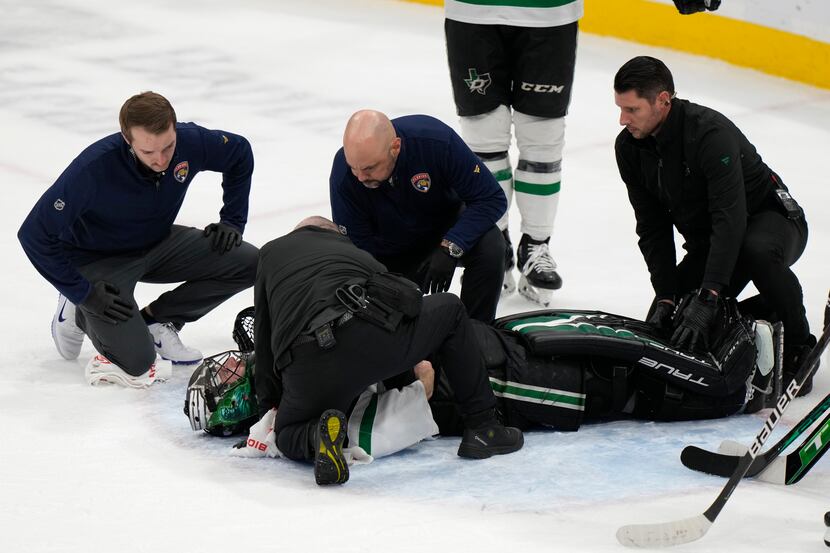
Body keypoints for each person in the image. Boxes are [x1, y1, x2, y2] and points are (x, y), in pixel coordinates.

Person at [253, 216, 523, 485]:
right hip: (367, 339)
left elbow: (263, 339)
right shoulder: (358, 253)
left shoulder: (271, 253)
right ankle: (483, 428)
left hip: (306, 361)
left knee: (287, 432)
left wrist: (269, 407)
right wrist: (409, 377)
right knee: (450, 308)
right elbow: (401, 307)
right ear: (335, 233)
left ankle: (316, 436)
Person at [18, 91, 259, 388]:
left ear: (174, 128)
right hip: (98, 262)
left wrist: (233, 220)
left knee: (251, 263)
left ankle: (160, 320)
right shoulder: (93, 169)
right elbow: (33, 234)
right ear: (127, 139)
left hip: (158, 243)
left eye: (168, 147)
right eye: (148, 152)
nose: (161, 160)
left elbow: (239, 152)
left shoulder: (190, 141)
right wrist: (84, 293)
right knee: (137, 362)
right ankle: (76, 310)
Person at [612, 56, 815, 396]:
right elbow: (652, 227)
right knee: (673, 328)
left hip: (772, 222)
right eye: (620, 108)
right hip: (715, 243)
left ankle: (798, 343)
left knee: (755, 251)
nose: (622, 119)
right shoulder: (629, 148)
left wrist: (710, 295)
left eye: (632, 109)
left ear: (663, 101)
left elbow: (730, 218)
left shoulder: (709, 134)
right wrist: (665, 296)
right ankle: (763, 312)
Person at [444, 0, 581, 307]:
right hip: (472, 12)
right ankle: (495, 242)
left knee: (543, 137)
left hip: (548, 13)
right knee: (483, 140)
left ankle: (536, 245)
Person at [329, 110, 507, 323]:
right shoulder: (344, 174)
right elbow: (355, 249)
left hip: (442, 229)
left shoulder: (435, 141)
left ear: (395, 147)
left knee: (491, 246)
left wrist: (452, 246)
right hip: (388, 252)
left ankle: (477, 334)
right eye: (354, 168)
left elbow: (491, 197)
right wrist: (388, 287)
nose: (360, 177)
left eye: (369, 168)